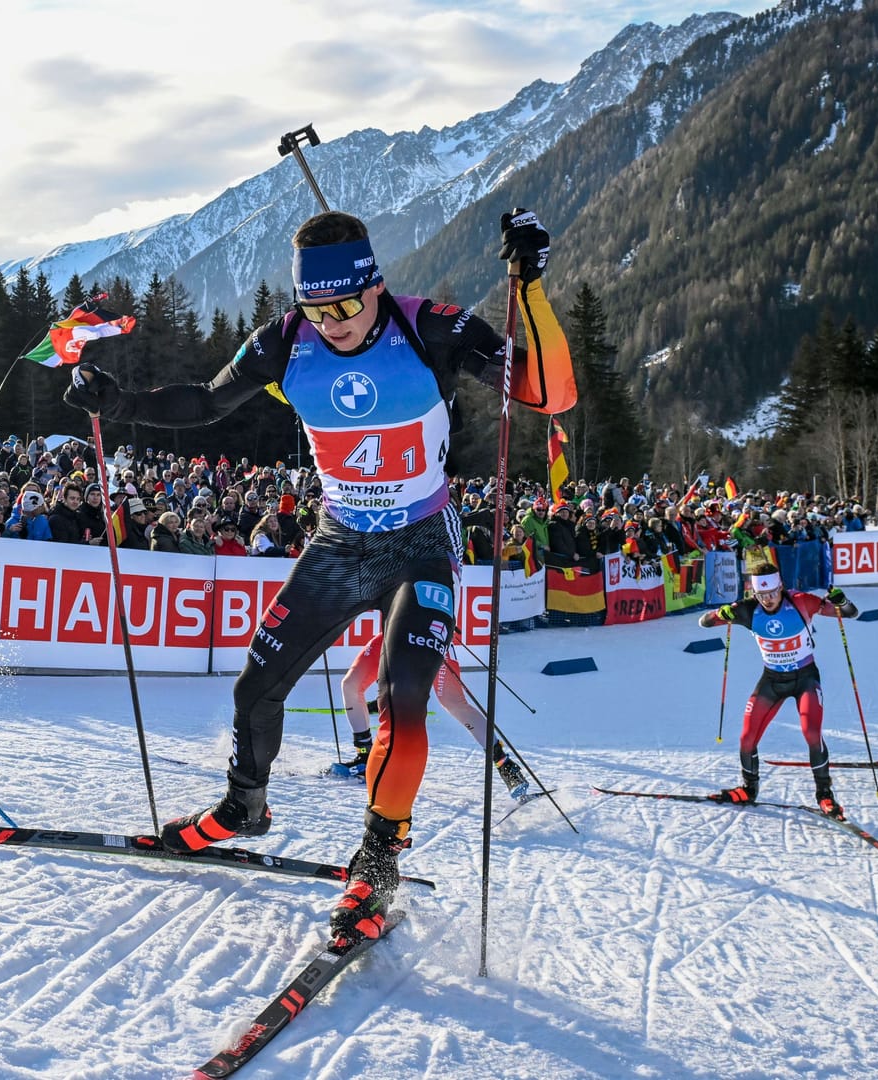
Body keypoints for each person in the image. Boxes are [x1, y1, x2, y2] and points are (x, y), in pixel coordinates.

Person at [65, 207, 571, 945]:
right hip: (338, 544)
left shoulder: (431, 327)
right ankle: (245, 808)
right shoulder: (284, 340)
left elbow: (546, 393)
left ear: (375, 285)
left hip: (418, 546)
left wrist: (528, 288)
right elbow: (207, 402)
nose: (331, 322)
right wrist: (119, 404)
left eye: (344, 305)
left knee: (402, 699)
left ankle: (378, 859)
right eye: (315, 307)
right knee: (256, 685)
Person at [698, 557, 859, 818]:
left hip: (805, 678)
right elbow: (704, 622)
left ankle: (825, 795)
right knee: (747, 737)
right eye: (762, 594)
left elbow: (850, 613)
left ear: (781, 587)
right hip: (771, 680)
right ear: (753, 592)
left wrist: (842, 602)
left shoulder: (801, 601)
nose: (768, 599)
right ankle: (749, 790)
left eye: (772, 592)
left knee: (811, 732)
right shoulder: (747, 609)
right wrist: (721, 613)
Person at [337, 633, 531, 800]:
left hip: (430, 635)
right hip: (393, 634)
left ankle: (505, 765)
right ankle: (364, 756)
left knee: (454, 703)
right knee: (350, 685)